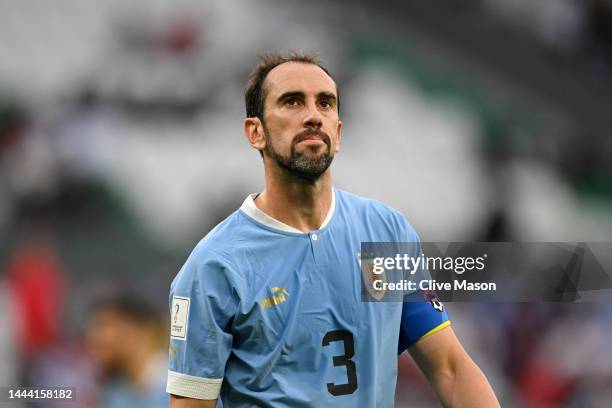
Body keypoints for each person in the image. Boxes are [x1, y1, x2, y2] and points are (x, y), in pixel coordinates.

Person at [166, 51, 499, 407]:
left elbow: (449, 367)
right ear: (255, 131)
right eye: (292, 102)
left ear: (337, 133)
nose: (313, 116)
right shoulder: (215, 267)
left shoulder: (384, 234)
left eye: (325, 103)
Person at [87, 294, 169, 408]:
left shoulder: (177, 388)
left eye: (106, 325)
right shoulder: (113, 391)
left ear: (143, 330)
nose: (96, 337)